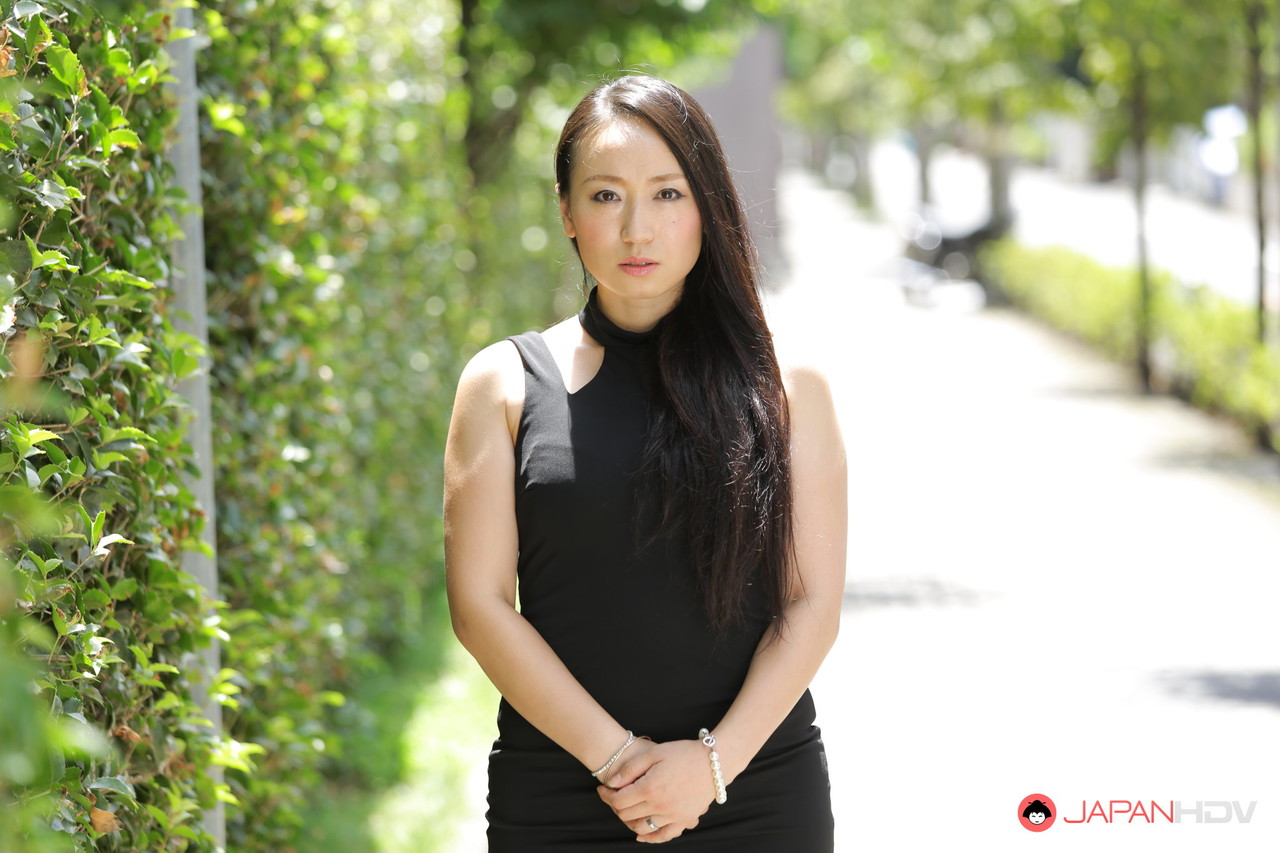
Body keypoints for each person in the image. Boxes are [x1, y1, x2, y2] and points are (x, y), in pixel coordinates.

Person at [444, 74, 846, 850]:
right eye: (605, 196)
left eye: (667, 194)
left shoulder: (789, 386)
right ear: (566, 211)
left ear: (707, 205)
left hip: (759, 793)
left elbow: (811, 607)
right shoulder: (503, 383)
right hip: (561, 795)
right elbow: (480, 606)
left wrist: (711, 766)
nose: (637, 230)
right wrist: (622, 761)